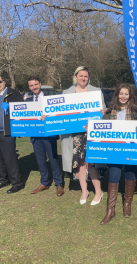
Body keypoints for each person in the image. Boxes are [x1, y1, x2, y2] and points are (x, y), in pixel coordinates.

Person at [60, 66, 105, 205]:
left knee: (90, 163)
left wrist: (101, 113)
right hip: (74, 135)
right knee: (79, 164)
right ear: (75, 76)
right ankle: (84, 191)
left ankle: (98, 192)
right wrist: (47, 116)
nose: (83, 78)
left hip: (91, 133)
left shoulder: (96, 91)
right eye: (81, 76)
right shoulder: (66, 93)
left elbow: (101, 111)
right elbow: (59, 113)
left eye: (85, 76)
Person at [100, 83, 137, 224]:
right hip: (114, 149)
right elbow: (101, 128)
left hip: (131, 149)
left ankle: (127, 205)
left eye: (126, 94)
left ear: (130, 95)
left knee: (130, 174)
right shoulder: (109, 110)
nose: (123, 96)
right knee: (113, 176)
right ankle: (110, 211)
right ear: (117, 94)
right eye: (121, 93)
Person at [0, 75, 24, 194]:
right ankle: (3, 179)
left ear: (4, 82)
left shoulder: (13, 94)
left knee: (10, 158)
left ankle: (17, 183)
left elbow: (22, 109)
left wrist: (10, 108)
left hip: (7, 132)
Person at [26, 76, 64, 196]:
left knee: (53, 160)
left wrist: (49, 115)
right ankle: (44, 182)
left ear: (40, 84)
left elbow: (58, 114)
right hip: (35, 136)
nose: (34, 87)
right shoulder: (28, 101)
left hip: (49, 135)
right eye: (31, 85)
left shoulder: (50, 99)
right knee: (40, 160)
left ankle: (59, 184)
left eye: (36, 84)